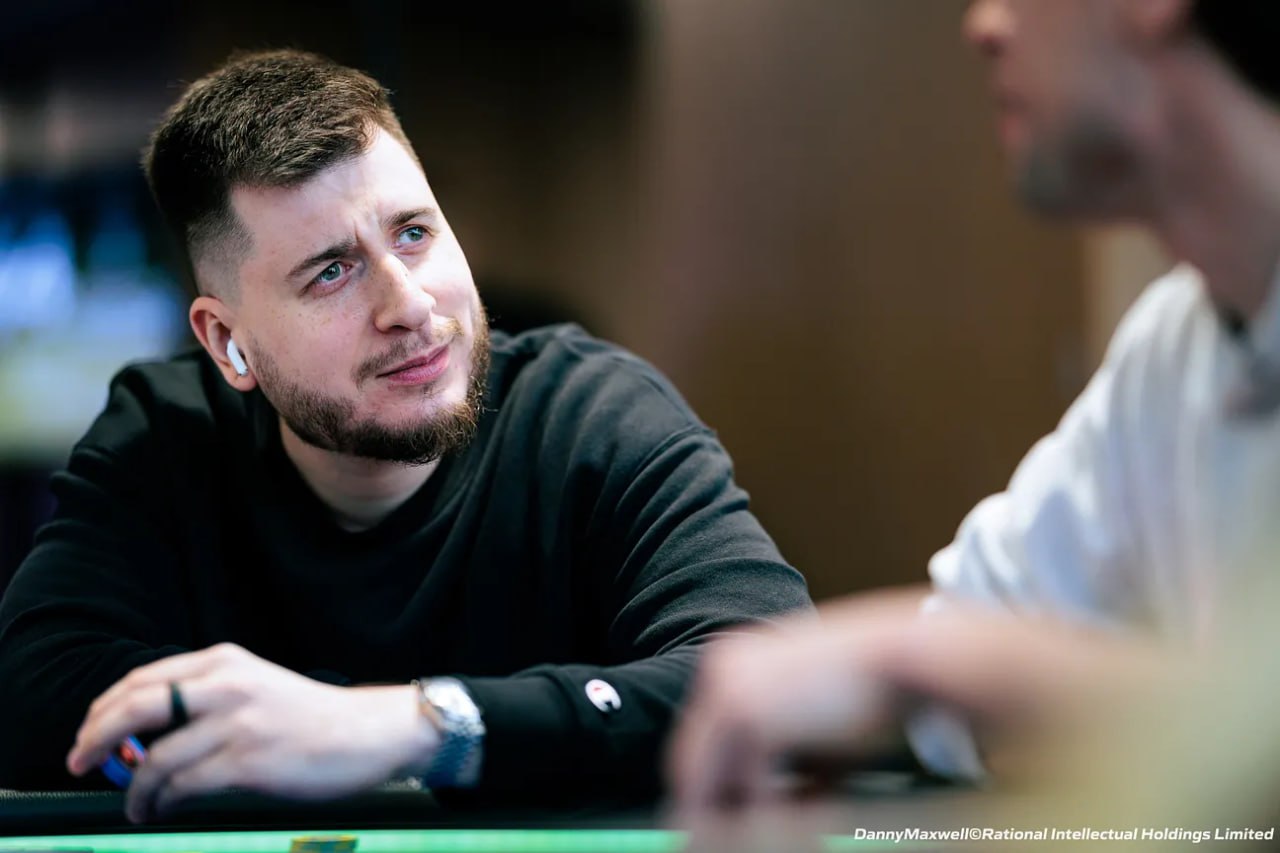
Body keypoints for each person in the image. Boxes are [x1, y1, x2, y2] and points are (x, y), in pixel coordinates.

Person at [0, 49, 812, 821]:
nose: (411, 306)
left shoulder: (590, 416)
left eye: (414, 234)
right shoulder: (167, 437)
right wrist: (289, 727)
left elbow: (778, 680)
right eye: (331, 271)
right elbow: (33, 690)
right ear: (226, 342)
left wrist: (408, 726)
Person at [670, 0, 1280, 809]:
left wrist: (908, 665)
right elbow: (975, 625)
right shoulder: (1175, 347)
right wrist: (918, 676)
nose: (983, 26)